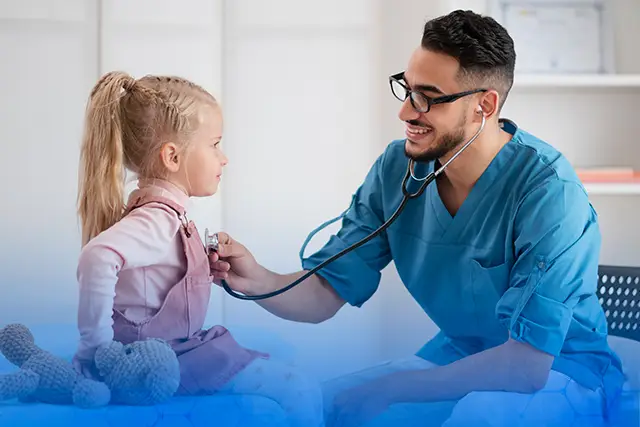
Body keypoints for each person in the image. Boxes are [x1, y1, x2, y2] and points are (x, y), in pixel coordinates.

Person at [208, 9, 626, 427]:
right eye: (406, 90)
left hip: (562, 370)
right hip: (459, 359)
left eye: (428, 97)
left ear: (485, 104)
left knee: (477, 415)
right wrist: (258, 280)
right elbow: (323, 293)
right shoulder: (398, 169)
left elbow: (527, 365)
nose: (406, 113)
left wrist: (390, 389)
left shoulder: (549, 192)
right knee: (329, 404)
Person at [72, 71, 324, 427]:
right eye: (215, 144)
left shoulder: (161, 216)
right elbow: (97, 257)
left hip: (173, 352)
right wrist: (96, 352)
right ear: (172, 157)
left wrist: (200, 273)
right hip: (164, 359)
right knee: (301, 388)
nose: (224, 159)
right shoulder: (157, 221)